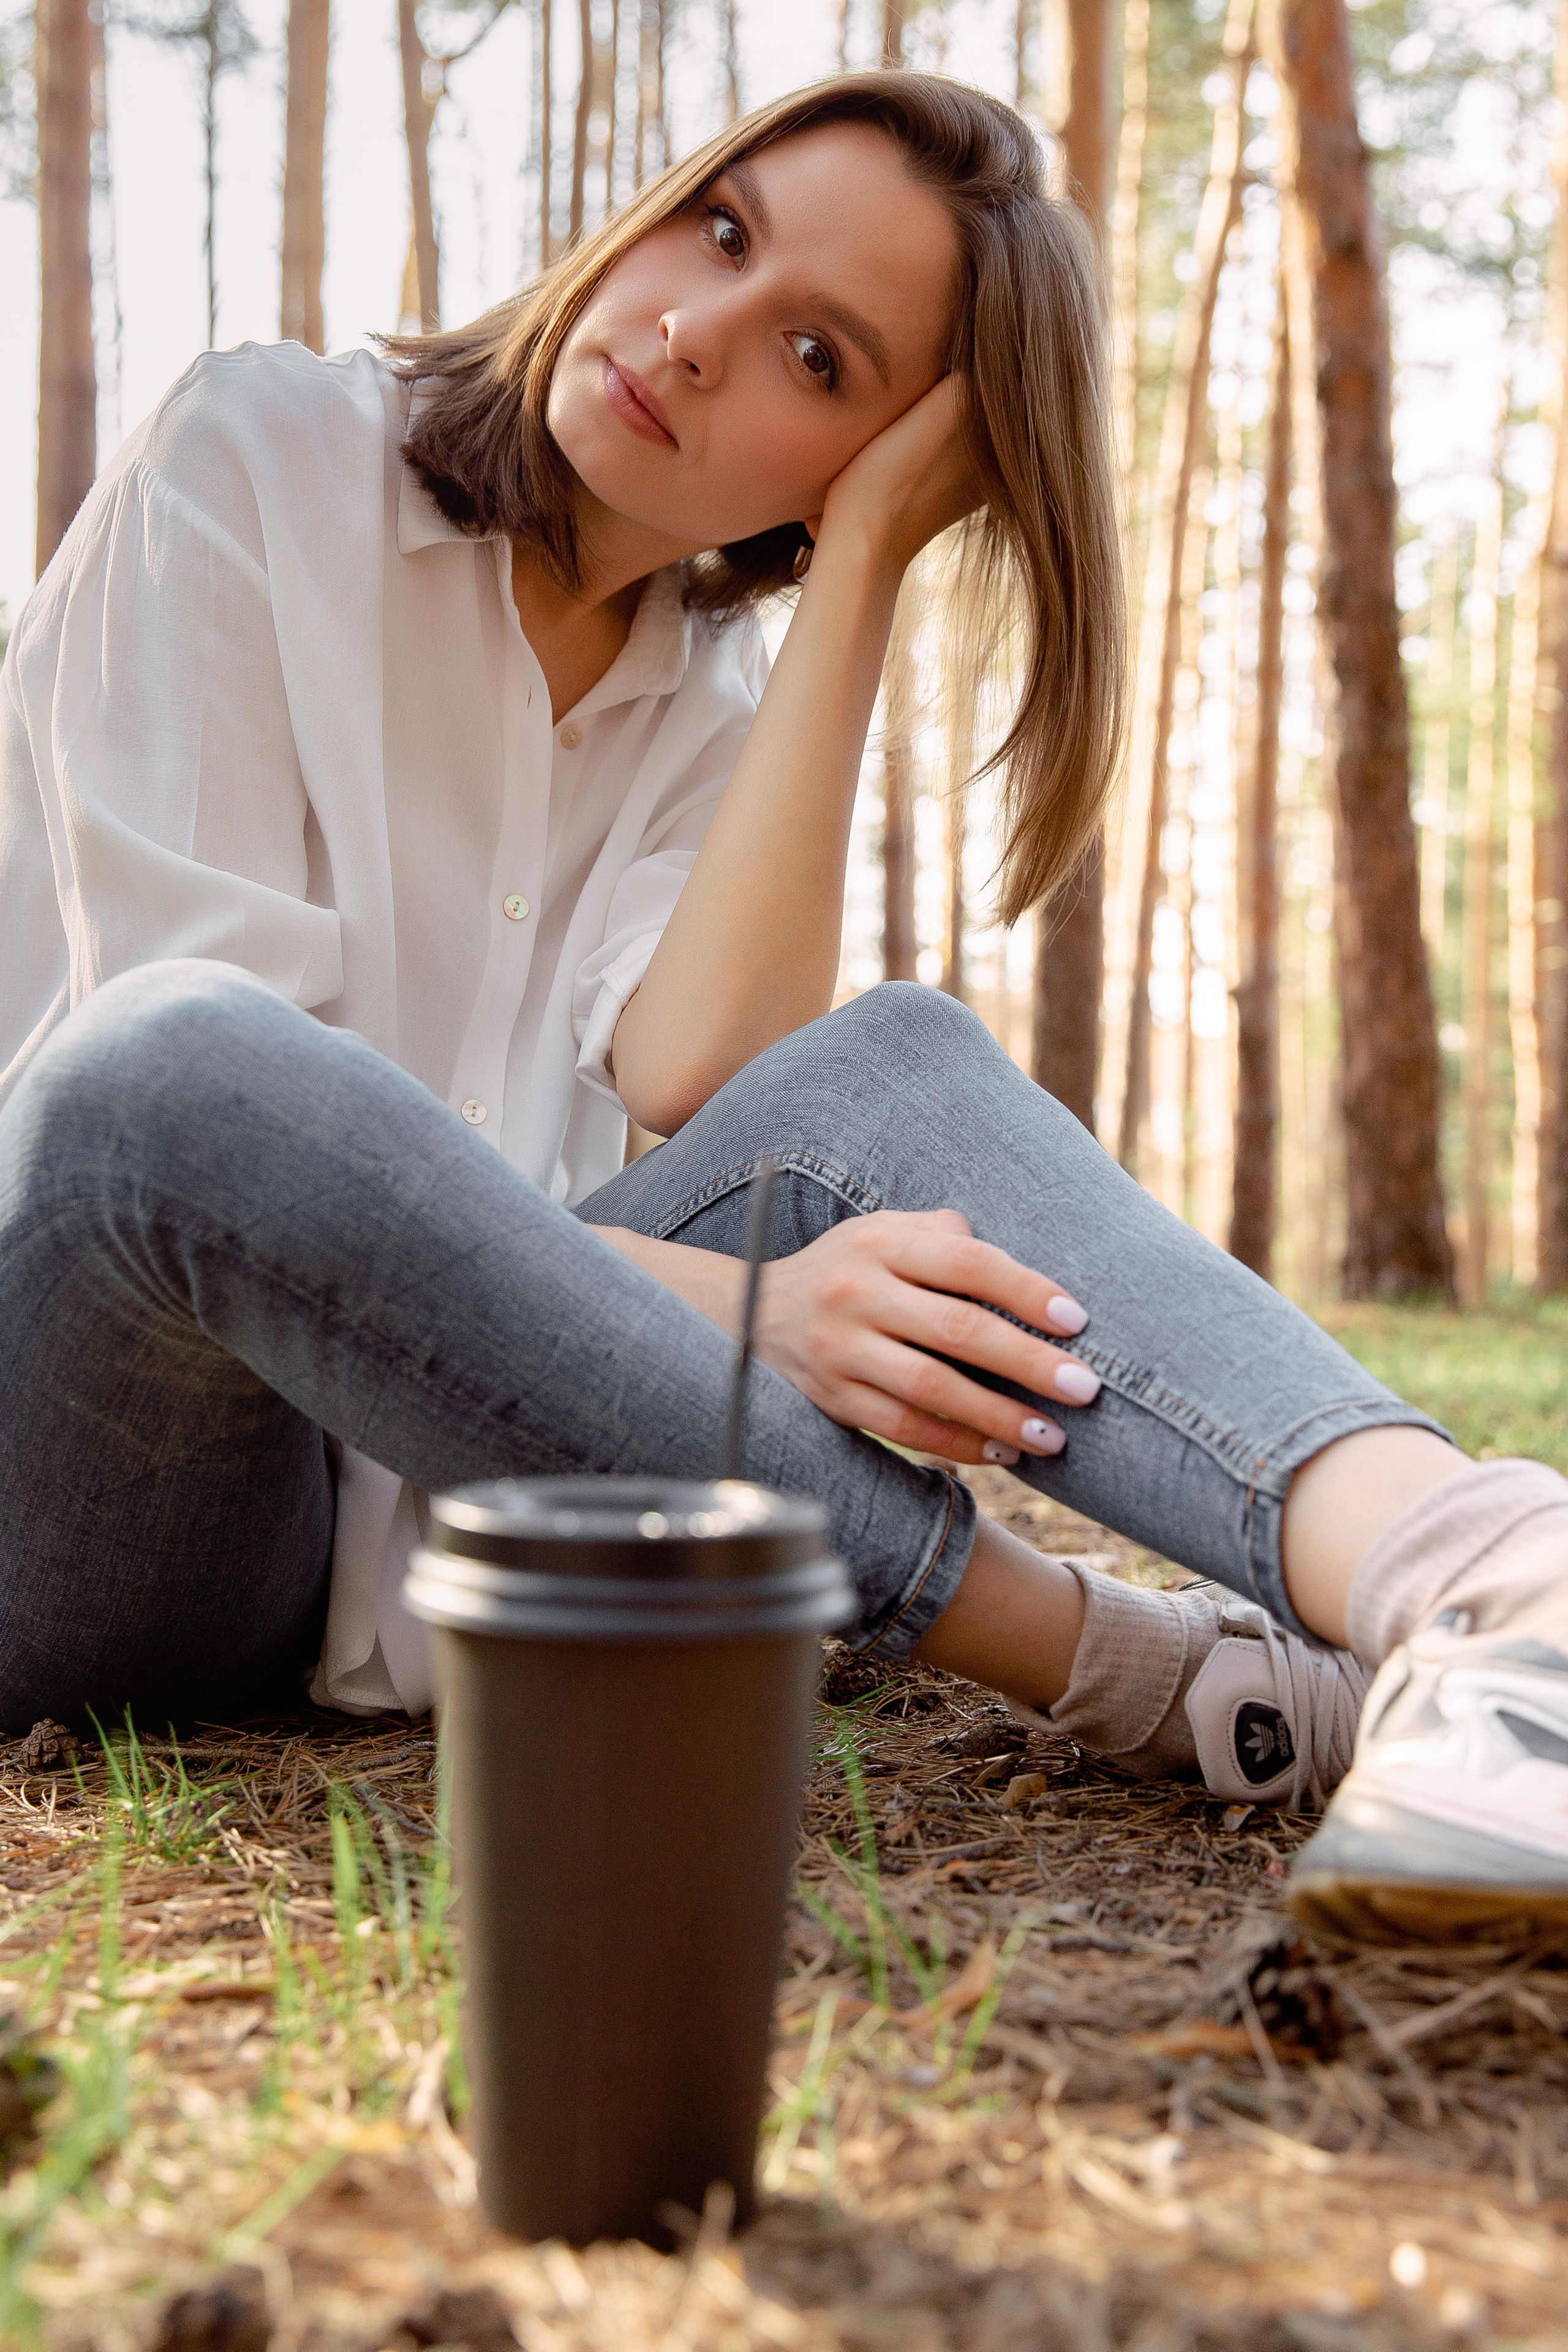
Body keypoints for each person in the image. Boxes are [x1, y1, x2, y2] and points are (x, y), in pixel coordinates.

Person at [1, 72, 1562, 1949]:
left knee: (884, 1060)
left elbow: (709, 1076)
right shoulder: (248, 452)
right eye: (722, 231)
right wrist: (751, 1313)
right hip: (99, 1482)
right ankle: (1136, 1668)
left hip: (427, 1512)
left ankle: (1505, 1592)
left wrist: (869, 560)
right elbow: (217, 1163)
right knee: (177, 1065)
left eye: (818, 360)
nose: (694, 330)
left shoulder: (703, 708)